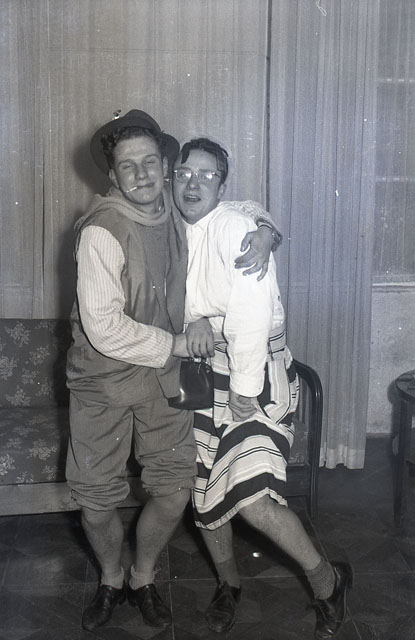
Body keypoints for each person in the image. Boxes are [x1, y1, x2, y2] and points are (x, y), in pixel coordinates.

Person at [65, 109, 278, 632]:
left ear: (166, 167)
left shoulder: (179, 215)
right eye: (127, 166)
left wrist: (266, 230)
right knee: (95, 502)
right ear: (112, 176)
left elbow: (233, 208)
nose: (140, 174)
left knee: (174, 491)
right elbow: (104, 328)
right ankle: (110, 576)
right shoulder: (101, 231)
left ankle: (142, 576)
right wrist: (179, 342)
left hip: (164, 380)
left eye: (149, 162)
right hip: (103, 381)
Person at [172, 137, 353, 640]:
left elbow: (251, 316)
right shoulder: (169, 228)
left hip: (255, 377)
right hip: (200, 376)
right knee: (202, 494)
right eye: (184, 173)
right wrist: (193, 319)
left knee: (252, 499)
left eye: (206, 175)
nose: (192, 184)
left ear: (222, 186)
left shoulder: (238, 227)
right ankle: (228, 584)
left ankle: (328, 582)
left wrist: (246, 389)